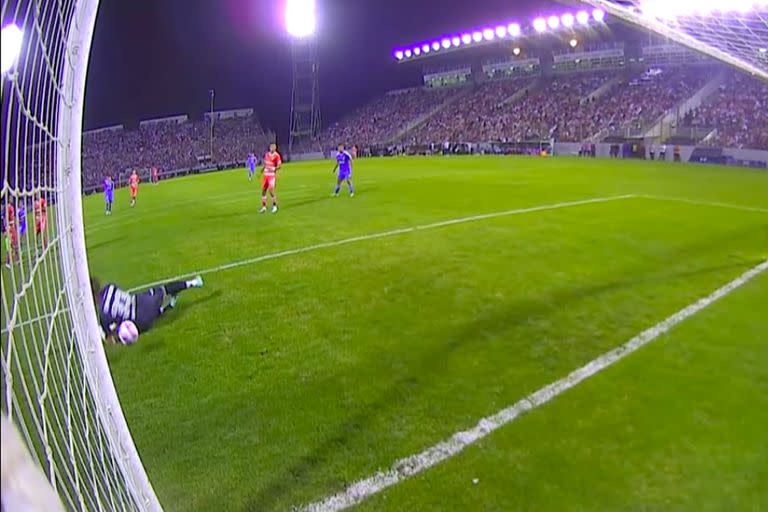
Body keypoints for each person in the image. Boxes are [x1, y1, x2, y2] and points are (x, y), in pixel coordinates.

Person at [91, 275, 204, 343]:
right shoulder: (109, 287)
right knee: (165, 289)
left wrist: (108, 332)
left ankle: (167, 307)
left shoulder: (103, 314)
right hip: (142, 301)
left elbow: (108, 336)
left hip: (141, 322)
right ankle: (193, 282)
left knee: (123, 333)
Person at [260, 143, 281, 214]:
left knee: (271, 190)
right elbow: (265, 164)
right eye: (271, 147)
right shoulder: (267, 154)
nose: (271, 148)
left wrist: (274, 168)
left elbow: (279, 166)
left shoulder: (277, 155)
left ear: (275, 148)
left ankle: (275, 206)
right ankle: (264, 207)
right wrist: (262, 170)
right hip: (265, 175)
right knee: (263, 190)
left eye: (273, 147)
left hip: (271, 175)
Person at [4, 202, 19, 268]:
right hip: (10, 228)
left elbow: (13, 217)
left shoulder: (12, 207)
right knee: (11, 246)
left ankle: (17, 260)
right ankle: (8, 262)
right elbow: (5, 219)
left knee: (15, 244)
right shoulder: (8, 207)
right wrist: (7, 228)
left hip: (12, 228)